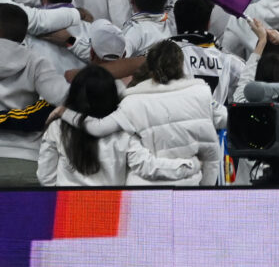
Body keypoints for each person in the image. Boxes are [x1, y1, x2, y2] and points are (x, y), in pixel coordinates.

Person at [37, 64, 199, 187]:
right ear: (111, 96)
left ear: (74, 94)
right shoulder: (125, 130)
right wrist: (190, 165)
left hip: (67, 215)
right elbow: (149, 167)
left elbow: (46, 178)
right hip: (112, 215)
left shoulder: (57, 128)